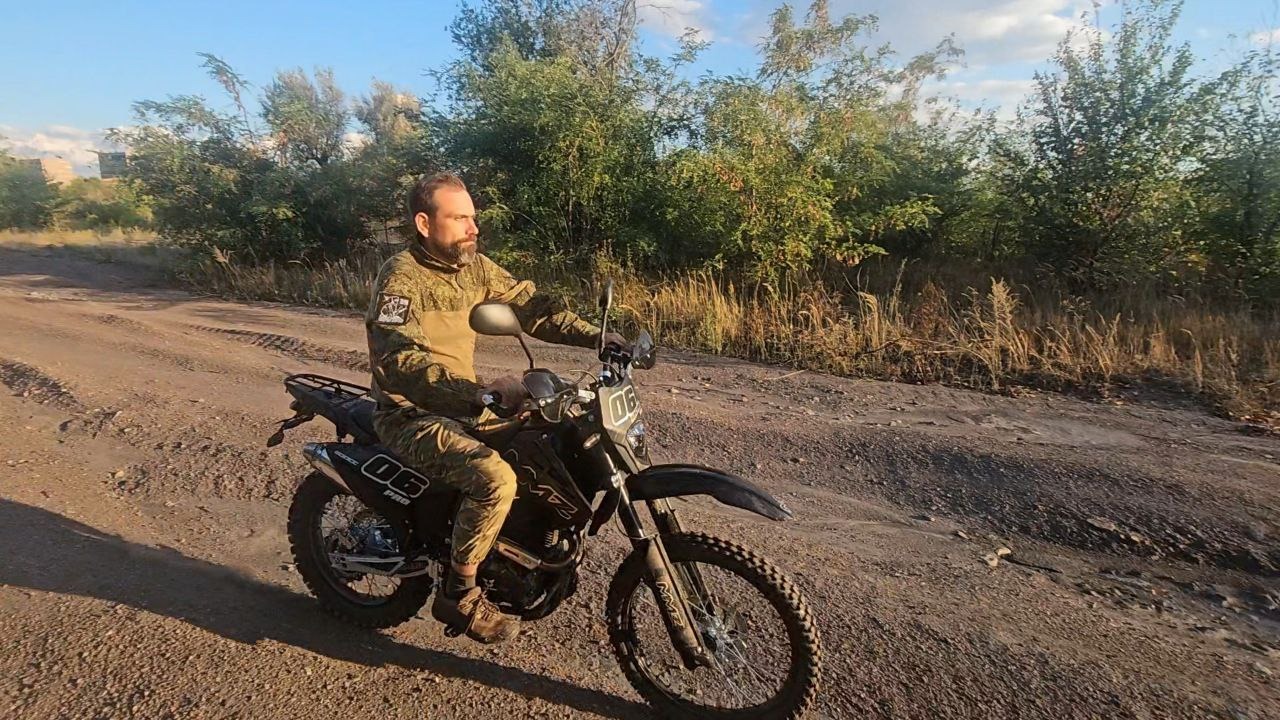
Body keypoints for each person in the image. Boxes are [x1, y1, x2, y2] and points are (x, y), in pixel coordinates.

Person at [365, 171, 622, 643]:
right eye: (459, 218)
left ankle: (523, 553)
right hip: (410, 414)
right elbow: (398, 360)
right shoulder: (401, 276)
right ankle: (459, 591)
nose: (473, 227)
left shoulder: (475, 267)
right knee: (495, 478)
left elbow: (533, 307)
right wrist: (479, 394)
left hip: (466, 405)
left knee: (547, 444)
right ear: (424, 223)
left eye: (473, 217)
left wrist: (602, 338)